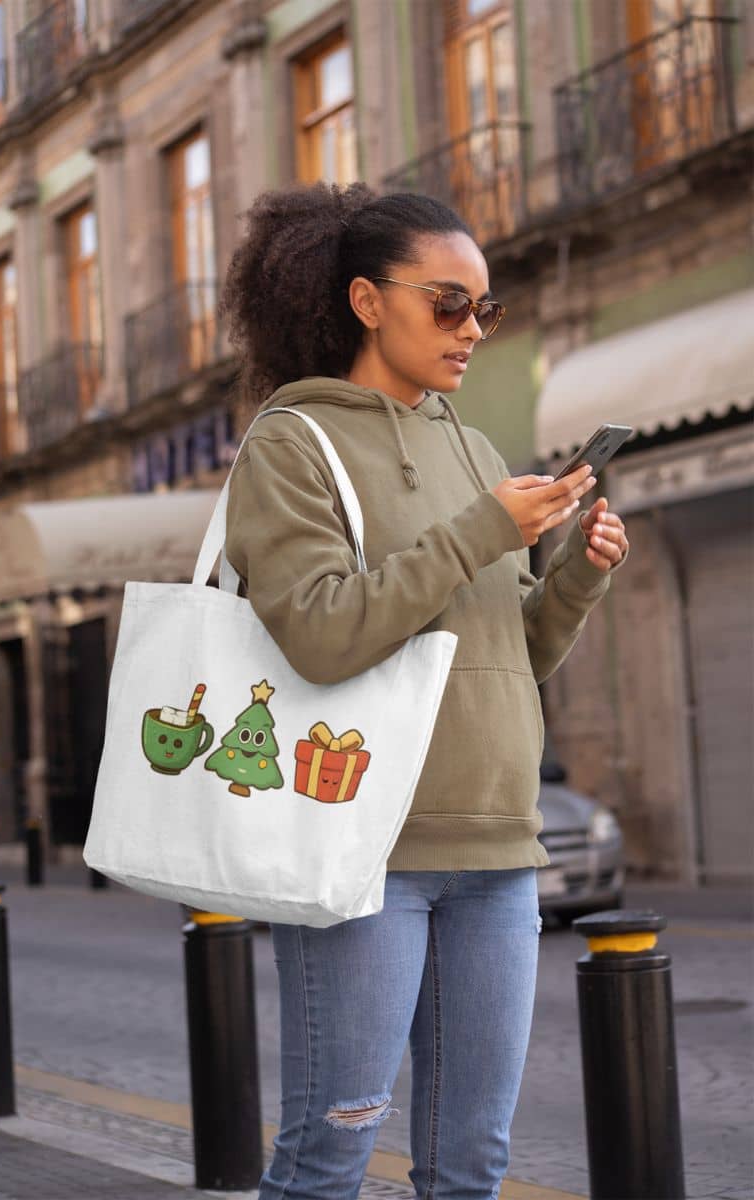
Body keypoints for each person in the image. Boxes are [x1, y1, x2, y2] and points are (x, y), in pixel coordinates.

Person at [220, 181, 629, 1200]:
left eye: (483, 309)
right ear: (367, 302)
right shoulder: (290, 443)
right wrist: (483, 530)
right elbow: (319, 633)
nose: (470, 330)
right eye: (447, 303)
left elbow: (511, 656)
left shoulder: (474, 450)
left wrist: (574, 575)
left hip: (496, 849)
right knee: (327, 1160)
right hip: (365, 855)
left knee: (469, 1167)